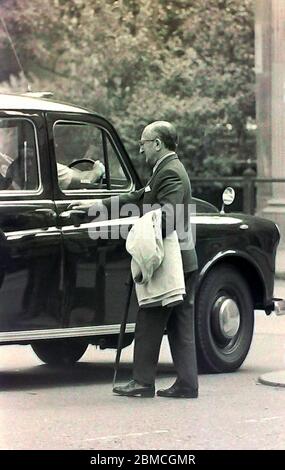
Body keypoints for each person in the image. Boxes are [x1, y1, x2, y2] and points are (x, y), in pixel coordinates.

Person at [69, 121, 198, 399]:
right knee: (180, 323)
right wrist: (97, 206)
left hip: (171, 261)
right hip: (183, 261)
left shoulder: (170, 172)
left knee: (149, 316)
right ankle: (187, 384)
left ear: (157, 144)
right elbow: (138, 197)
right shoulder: (166, 170)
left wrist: (138, 229)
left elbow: (169, 218)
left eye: (143, 143)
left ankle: (142, 382)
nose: (140, 149)